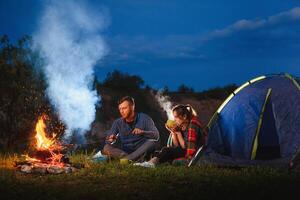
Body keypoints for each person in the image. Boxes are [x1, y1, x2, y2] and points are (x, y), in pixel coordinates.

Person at [134, 104, 205, 168]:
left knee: (166, 150)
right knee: (158, 152)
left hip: (194, 152)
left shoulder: (192, 125)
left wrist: (179, 134)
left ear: (184, 116)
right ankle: (148, 163)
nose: (174, 120)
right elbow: (176, 145)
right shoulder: (181, 127)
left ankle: (151, 164)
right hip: (183, 150)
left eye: (176, 117)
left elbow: (186, 148)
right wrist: (173, 132)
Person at [102, 96, 160, 162]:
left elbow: (156, 135)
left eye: (124, 108)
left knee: (151, 143)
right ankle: (130, 159)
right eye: (120, 109)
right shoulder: (118, 122)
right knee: (106, 147)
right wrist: (111, 140)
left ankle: (128, 159)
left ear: (132, 107)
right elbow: (108, 140)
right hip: (125, 151)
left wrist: (143, 132)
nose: (121, 111)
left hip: (141, 149)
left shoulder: (145, 118)